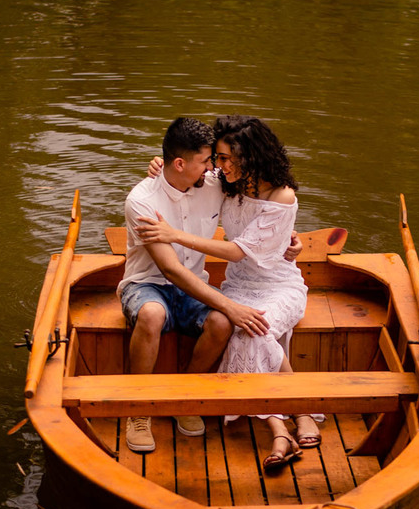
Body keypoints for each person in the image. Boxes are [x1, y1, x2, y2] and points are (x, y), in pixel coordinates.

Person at [137, 115, 322, 469]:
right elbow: (181, 171)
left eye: (224, 158)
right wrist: (158, 166)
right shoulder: (227, 182)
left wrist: (173, 235)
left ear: (249, 156)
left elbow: (238, 250)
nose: (218, 167)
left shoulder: (282, 195)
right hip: (238, 285)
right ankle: (294, 418)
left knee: (256, 328)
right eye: (216, 159)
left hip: (279, 285)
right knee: (245, 328)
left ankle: (283, 425)